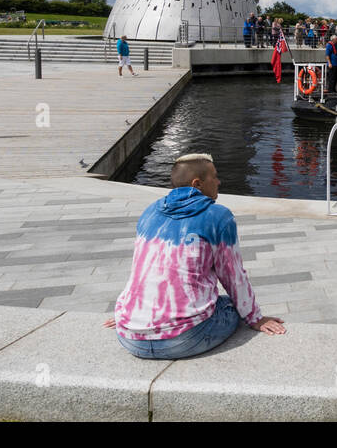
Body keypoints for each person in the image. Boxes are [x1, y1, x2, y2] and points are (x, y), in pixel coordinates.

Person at [106, 153, 284, 359]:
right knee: (231, 305)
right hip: (185, 339)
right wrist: (255, 318)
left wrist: (131, 315)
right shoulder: (218, 217)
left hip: (129, 337)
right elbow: (233, 276)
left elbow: (143, 271)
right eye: (214, 177)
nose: (218, 182)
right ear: (197, 183)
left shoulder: (150, 212)